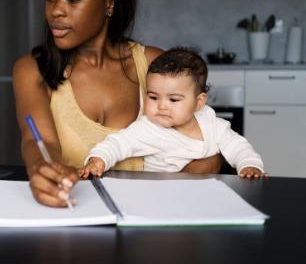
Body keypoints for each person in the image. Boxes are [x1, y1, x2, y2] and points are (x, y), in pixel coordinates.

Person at [13, 0, 221, 209]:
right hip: (76, 219)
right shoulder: (32, 69)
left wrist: (169, 205)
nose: (56, 10)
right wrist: (43, 168)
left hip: (153, 223)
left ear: (109, 3)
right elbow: (39, 141)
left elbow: (206, 151)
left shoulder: (154, 65)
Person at [83, 48, 266, 179]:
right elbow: (118, 143)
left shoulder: (211, 124)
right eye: (153, 97)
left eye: (173, 100)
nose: (162, 106)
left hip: (206, 194)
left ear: (198, 102)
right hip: (161, 196)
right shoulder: (149, 128)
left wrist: (249, 165)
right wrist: (98, 159)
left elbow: (237, 146)